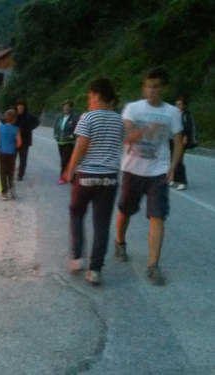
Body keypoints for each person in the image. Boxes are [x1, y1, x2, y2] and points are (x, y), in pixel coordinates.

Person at [115, 67, 183, 286]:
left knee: (157, 216)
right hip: (133, 169)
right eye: (148, 86)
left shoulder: (172, 112)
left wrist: (173, 166)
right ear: (143, 87)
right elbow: (126, 138)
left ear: (163, 88)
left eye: (156, 87)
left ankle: (153, 265)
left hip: (158, 171)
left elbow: (179, 141)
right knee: (125, 210)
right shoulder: (133, 109)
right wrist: (146, 131)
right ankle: (120, 242)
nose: (152, 91)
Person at [63, 79, 125, 285]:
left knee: (76, 213)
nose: (89, 101)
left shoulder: (88, 117)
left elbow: (80, 147)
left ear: (97, 96)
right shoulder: (119, 120)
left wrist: (70, 170)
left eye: (90, 97)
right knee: (101, 224)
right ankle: (95, 270)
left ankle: (76, 257)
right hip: (109, 178)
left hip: (86, 176)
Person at [0, 110, 22, 200]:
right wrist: (14, 146)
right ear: (14, 120)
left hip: (2, 153)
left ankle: (4, 193)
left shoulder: (0, 127)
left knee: (3, 172)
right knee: (11, 172)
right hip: (11, 154)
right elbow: (19, 143)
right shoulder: (16, 129)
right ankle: (12, 190)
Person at [169, 97, 198, 191]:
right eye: (177, 104)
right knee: (173, 159)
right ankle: (175, 179)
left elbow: (188, 127)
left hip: (181, 139)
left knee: (179, 160)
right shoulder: (174, 114)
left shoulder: (186, 115)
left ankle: (183, 182)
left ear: (184, 105)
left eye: (180, 104)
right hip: (172, 138)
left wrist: (185, 136)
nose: (178, 106)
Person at [54, 100, 79, 184]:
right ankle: (72, 176)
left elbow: (78, 128)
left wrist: (73, 135)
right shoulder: (59, 117)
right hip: (60, 141)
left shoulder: (75, 117)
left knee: (65, 160)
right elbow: (56, 127)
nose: (66, 108)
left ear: (71, 107)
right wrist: (56, 135)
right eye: (65, 106)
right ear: (62, 107)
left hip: (70, 142)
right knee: (64, 160)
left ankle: (63, 177)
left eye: (68, 106)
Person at [14, 100, 39, 181]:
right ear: (16, 107)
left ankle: (20, 175)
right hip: (14, 140)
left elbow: (37, 122)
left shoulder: (28, 116)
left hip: (25, 140)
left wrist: (29, 128)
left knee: (23, 158)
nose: (20, 107)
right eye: (19, 105)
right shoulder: (13, 115)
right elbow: (5, 121)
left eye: (22, 105)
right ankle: (11, 172)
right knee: (12, 157)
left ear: (24, 107)